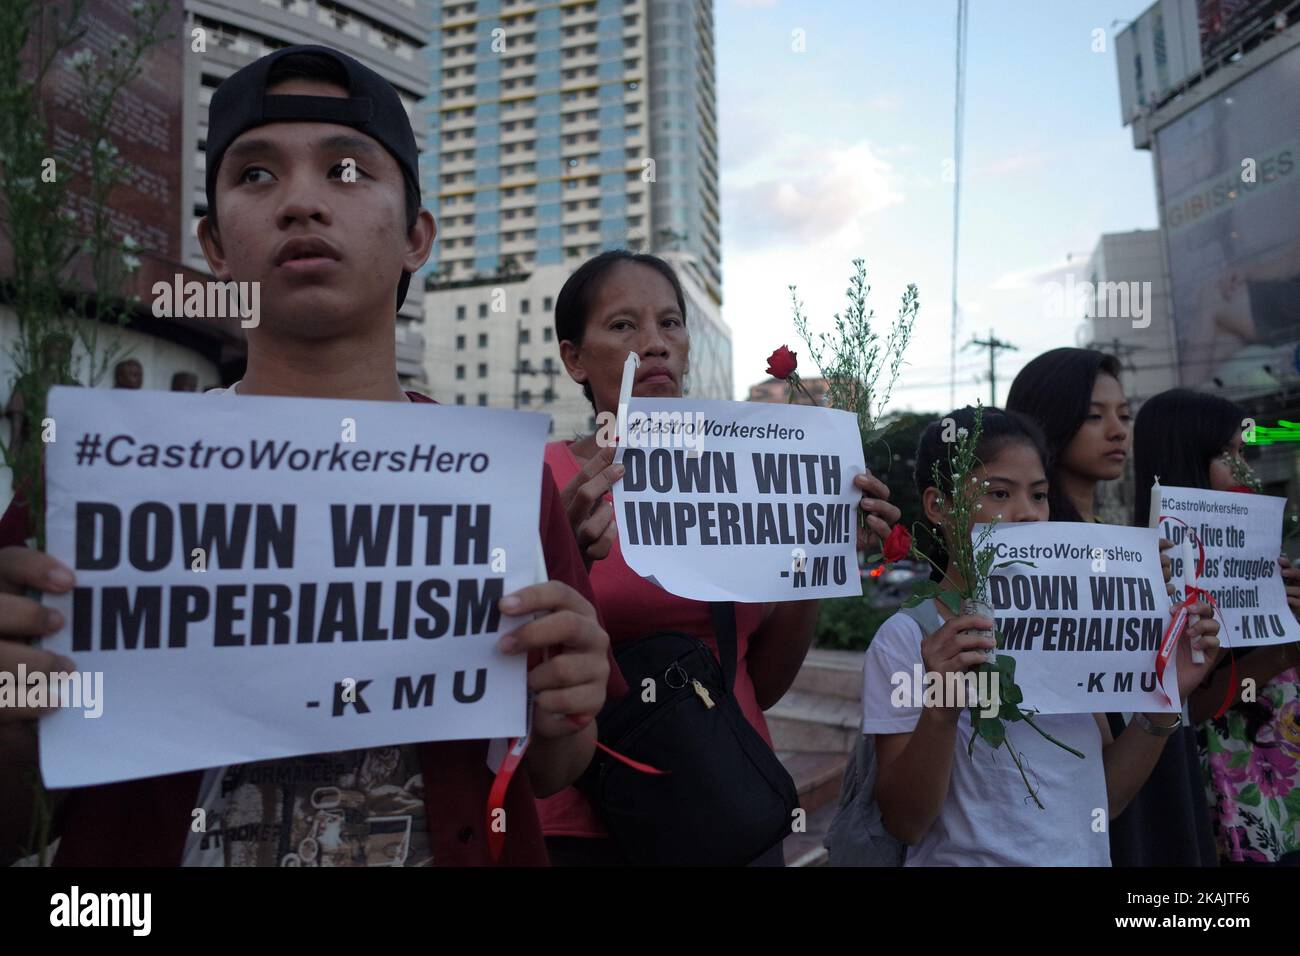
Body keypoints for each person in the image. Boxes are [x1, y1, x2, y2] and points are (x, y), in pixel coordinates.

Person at [0, 44, 614, 867]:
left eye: (348, 171)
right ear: (215, 248)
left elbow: (550, 771)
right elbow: (18, 824)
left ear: (416, 237)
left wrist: (569, 705)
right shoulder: (90, 484)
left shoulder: (502, 484)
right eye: (256, 175)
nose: (300, 203)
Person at [538, 250, 902, 865]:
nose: (654, 344)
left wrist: (817, 551)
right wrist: (561, 558)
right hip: (581, 826)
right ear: (574, 357)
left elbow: (760, 684)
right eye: (624, 326)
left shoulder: (748, 479)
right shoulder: (544, 478)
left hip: (725, 810)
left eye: (670, 323)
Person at [861, 405, 1221, 865]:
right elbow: (904, 822)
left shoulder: (1069, 622)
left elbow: (1104, 799)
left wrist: (1168, 697)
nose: (1028, 514)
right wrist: (941, 710)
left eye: (1039, 495)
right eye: (999, 493)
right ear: (938, 506)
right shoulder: (907, 640)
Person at [1133, 388, 1300, 865]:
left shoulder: (1267, 556)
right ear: (1185, 458)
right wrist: (1283, 652)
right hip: (1234, 801)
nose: (1242, 469)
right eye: (1226, 455)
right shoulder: (1155, 573)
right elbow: (1195, 706)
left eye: (1243, 453)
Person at [1005, 348, 1130, 523]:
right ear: (1047, 419)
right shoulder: (1025, 538)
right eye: (1094, 416)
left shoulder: (1114, 537)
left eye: (1124, 416)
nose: (1119, 432)